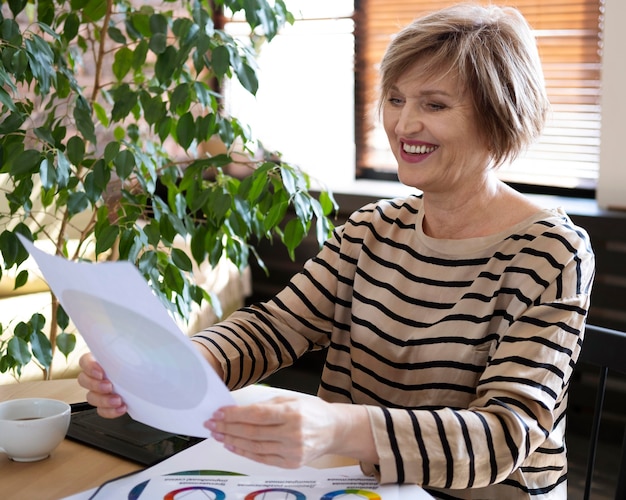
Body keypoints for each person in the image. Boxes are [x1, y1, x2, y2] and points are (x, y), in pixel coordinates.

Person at [78, 4, 595, 499]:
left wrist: (338, 428)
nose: (403, 124)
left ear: (500, 114)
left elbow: (504, 434)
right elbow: (276, 328)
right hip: (353, 485)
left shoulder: (552, 251)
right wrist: (179, 364)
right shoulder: (370, 229)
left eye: (434, 104)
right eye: (395, 99)